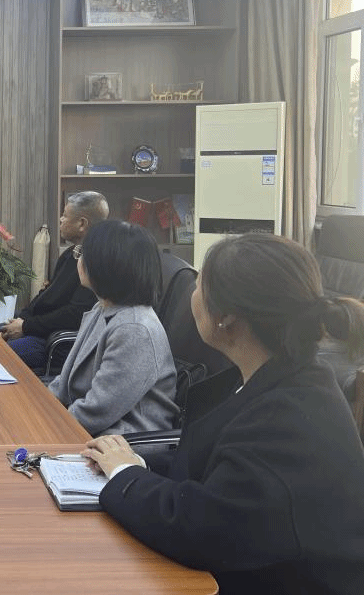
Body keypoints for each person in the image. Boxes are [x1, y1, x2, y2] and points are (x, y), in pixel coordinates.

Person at [83, 233, 364, 594]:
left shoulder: (288, 419)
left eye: (200, 284)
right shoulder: (276, 378)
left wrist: (126, 474)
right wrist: (135, 461)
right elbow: (214, 467)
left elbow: (202, 529)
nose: (192, 294)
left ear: (228, 317)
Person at [47, 219, 178, 435]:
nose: (79, 260)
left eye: (83, 254)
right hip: (89, 428)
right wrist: (41, 405)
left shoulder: (134, 329)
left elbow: (97, 411)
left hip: (120, 440)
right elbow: (66, 382)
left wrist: (45, 425)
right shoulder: (104, 307)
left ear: (106, 265)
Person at [0, 191, 108, 370]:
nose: (60, 220)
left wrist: (26, 327)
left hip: (52, 342)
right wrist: (21, 320)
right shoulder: (70, 254)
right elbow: (46, 295)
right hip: (37, 328)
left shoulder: (97, 262)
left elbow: (74, 315)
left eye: (65, 215)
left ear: (82, 223)